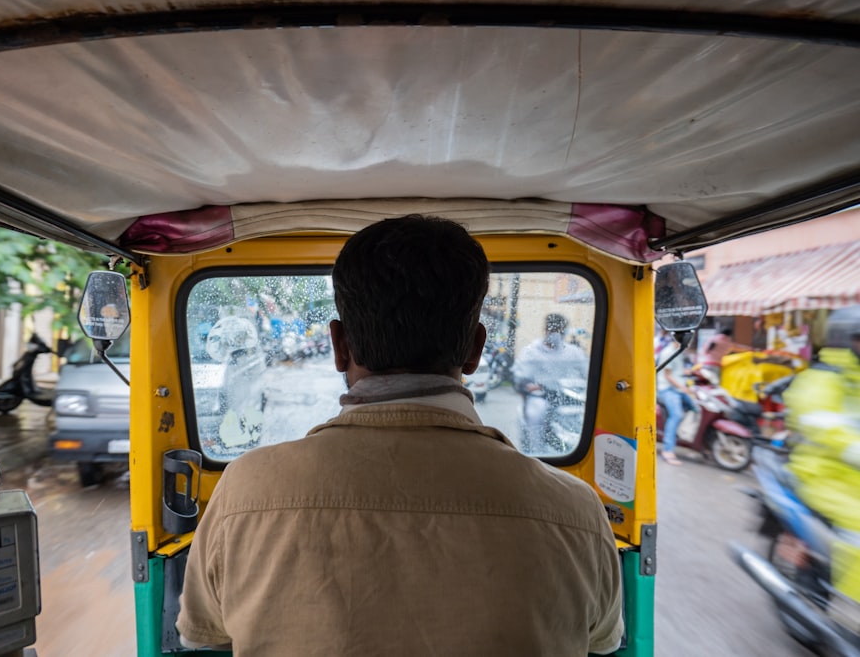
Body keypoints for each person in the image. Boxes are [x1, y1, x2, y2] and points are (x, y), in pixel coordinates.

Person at [177, 215, 623, 655]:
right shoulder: (575, 510)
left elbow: (202, 635)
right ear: (475, 349)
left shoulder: (245, 491)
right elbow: (604, 643)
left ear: (339, 345)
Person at [784, 306, 860, 621]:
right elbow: (815, 418)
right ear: (846, 339)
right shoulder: (820, 380)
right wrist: (851, 447)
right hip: (821, 477)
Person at [511, 312, 588, 454]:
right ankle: (536, 453)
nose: (556, 334)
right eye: (553, 330)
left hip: (567, 397)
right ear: (546, 330)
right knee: (535, 414)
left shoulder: (573, 352)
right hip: (539, 397)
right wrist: (528, 387)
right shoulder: (531, 351)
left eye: (560, 330)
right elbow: (520, 378)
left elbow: (587, 374)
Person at [656, 336, 696, 465]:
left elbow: (676, 371)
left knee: (695, 408)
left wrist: (689, 372)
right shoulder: (668, 352)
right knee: (676, 415)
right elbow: (667, 375)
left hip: (678, 389)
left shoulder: (679, 351)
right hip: (668, 389)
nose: (690, 343)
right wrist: (683, 388)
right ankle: (667, 450)